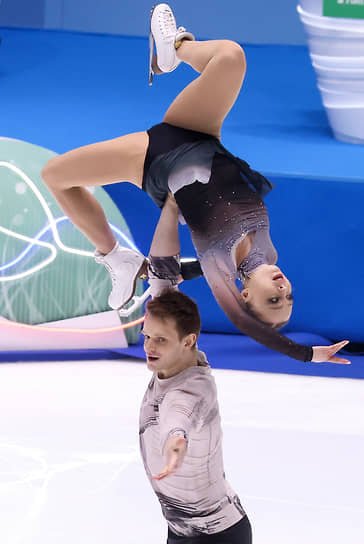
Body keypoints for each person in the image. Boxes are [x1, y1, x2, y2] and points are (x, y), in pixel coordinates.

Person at [41, 3, 350, 364]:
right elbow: (195, 265)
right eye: (288, 297)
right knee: (232, 56)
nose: (283, 289)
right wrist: (173, 274)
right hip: (202, 137)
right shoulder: (267, 254)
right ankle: (174, 49)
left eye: (273, 300)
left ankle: (114, 256)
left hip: (155, 158)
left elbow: (243, 320)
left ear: (245, 296)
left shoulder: (222, 270)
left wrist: (307, 354)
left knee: (55, 175)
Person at [140, 289, 253, 543]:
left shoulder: (190, 391)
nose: (149, 346)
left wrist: (175, 448)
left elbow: (178, 421)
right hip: (183, 529)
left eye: (160, 340)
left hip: (216, 536)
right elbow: (164, 282)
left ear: (188, 341)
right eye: (146, 335)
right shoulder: (178, 358)